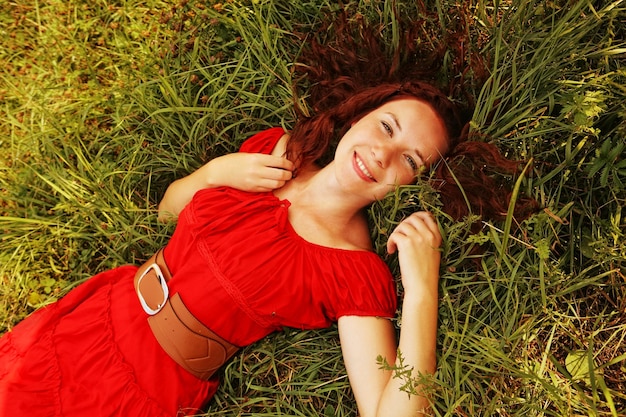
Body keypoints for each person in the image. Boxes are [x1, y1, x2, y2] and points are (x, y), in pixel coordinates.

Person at [0, 10, 535, 417]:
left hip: (137, 386)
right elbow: (167, 213)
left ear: (413, 184)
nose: (382, 153)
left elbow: (389, 411)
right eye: (387, 126)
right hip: (86, 316)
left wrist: (422, 289)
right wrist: (212, 173)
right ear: (360, 112)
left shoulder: (351, 268)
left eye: (410, 160)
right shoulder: (274, 151)